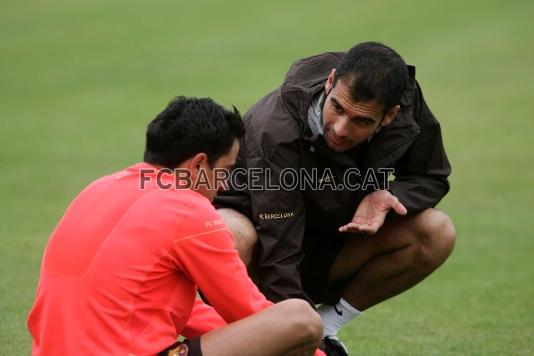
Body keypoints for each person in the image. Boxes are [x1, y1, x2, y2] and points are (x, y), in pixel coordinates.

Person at [27, 97, 325, 356]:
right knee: (299, 319)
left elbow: (185, 313)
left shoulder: (99, 187)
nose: (222, 186)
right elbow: (245, 308)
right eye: (225, 172)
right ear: (198, 165)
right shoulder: (188, 208)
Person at [214, 42, 457, 355]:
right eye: (338, 108)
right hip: (264, 247)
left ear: (390, 116)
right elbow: (279, 252)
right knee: (231, 234)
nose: (341, 129)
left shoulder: (405, 105)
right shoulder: (274, 130)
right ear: (330, 82)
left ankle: (327, 327)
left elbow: (431, 176)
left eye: (362, 121)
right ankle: (239, 338)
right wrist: (298, 334)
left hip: (329, 240)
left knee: (437, 231)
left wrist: (388, 194)